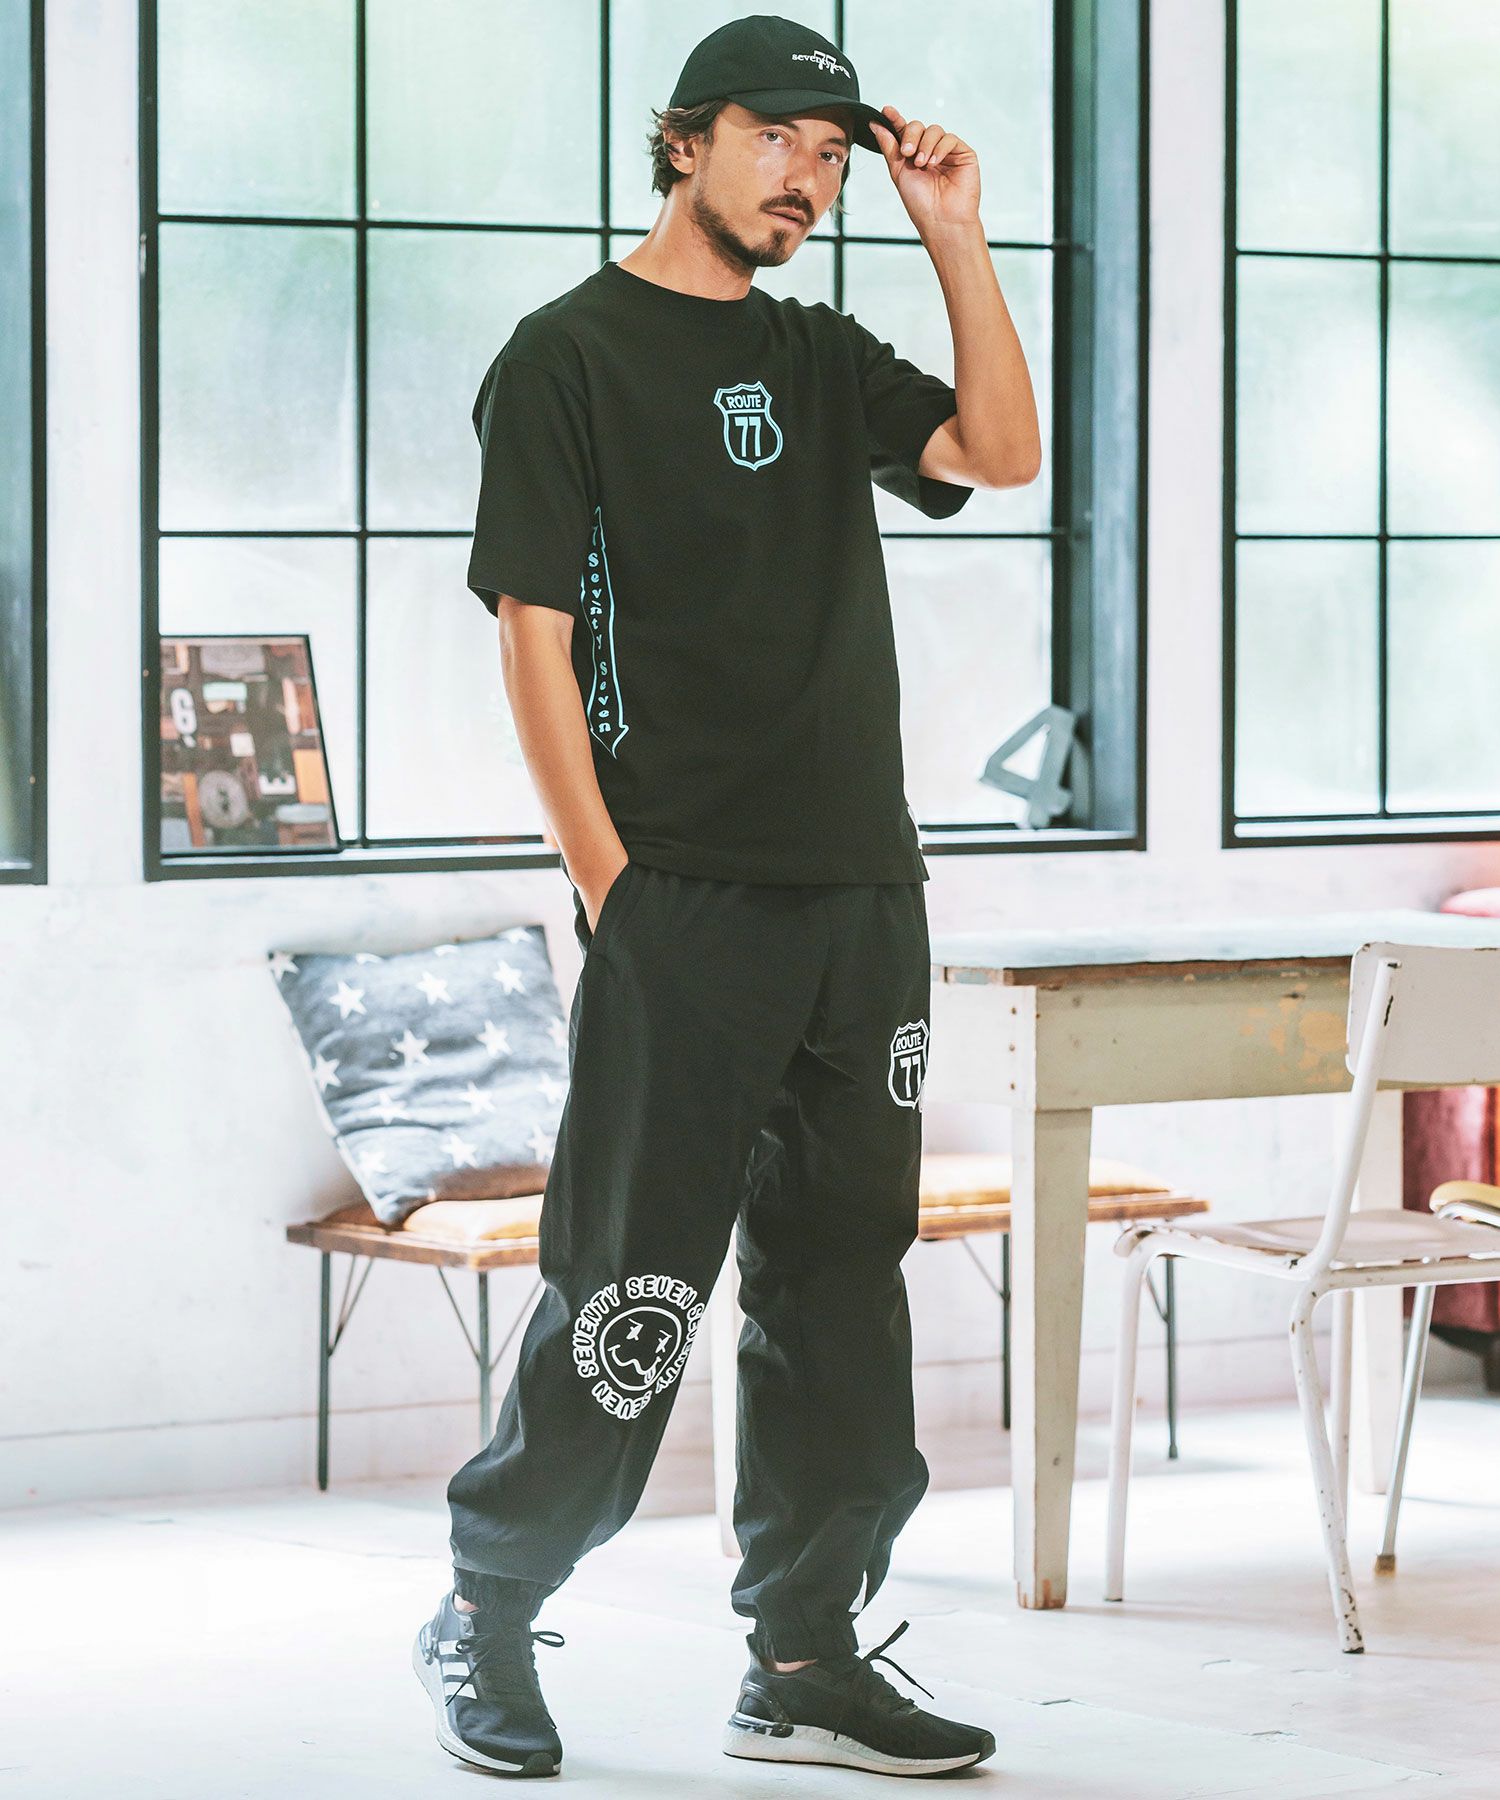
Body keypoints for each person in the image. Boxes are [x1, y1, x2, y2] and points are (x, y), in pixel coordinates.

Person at [412, 11, 1040, 1781]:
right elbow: (534, 638)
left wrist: (954, 232)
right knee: (632, 1287)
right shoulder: (567, 356)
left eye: (834, 156)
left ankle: (805, 1656)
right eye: (779, 141)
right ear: (685, 140)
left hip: (863, 895)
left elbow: (999, 452)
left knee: (843, 1286)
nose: (809, 179)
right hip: (681, 895)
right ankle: (487, 1606)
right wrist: (613, 887)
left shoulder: (820, 354)